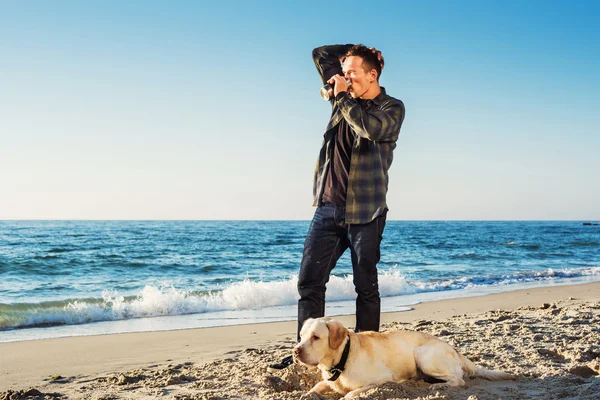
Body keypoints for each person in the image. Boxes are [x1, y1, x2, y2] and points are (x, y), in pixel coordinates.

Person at [269, 43, 405, 371]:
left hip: (366, 212)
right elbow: (319, 54)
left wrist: (341, 95)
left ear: (373, 75)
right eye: (344, 74)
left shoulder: (391, 108)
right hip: (328, 207)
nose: (345, 79)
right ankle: (307, 353)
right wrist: (354, 53)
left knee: (366, 288)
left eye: (353, 73)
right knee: (309, 282)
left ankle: (368, 355)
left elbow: (368, 128)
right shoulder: (342, 97)